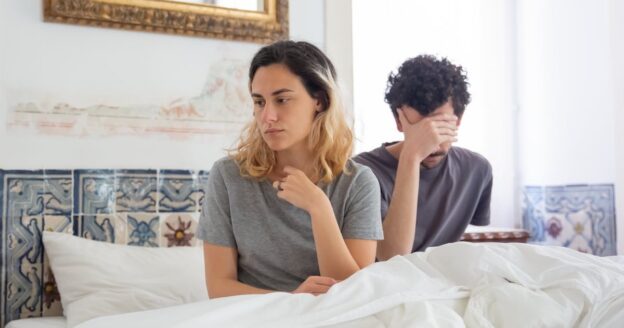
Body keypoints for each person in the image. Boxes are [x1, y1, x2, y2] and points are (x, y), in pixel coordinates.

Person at [198, 40, 383, 298]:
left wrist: (319, 207)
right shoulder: (228, 176)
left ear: (319, 100)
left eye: (282, 100)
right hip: (255, 318)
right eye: (260, 102)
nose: (267, 116)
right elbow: (218, 288)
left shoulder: (358, 183)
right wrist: (291, 300)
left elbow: (354, 293)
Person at [354, 55, 492, 260]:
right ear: (399, 122)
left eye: (440, 126)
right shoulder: (361, 172)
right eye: (421, 130)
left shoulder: (476, 169)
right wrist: (411, 156)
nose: (432, 143)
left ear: (458, 120)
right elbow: (391, 257)